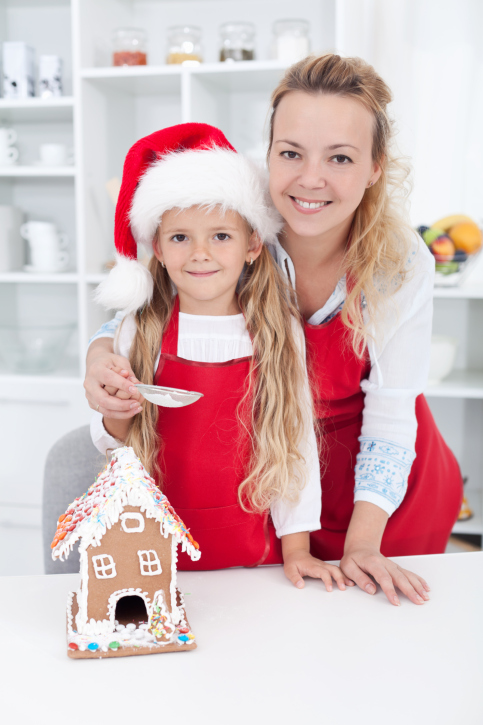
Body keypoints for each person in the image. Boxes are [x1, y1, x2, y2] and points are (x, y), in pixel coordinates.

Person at [85, 55, 463, 607]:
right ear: (268, 154)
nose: (311, 179)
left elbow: (391, 418)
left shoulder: (400, 263)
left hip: (381, 497)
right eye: (290, 153)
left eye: (340, 157)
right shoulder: (231, 218)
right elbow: (143, 306)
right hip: (274, 485)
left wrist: (363, 543)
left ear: (376, 166)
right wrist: (101, 357)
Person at [89, 122, 350, 592]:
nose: (200, 254)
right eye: (180, 237)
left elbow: (296, 447)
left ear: (253, 246)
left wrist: (297, 550)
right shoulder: (138, 330)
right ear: (158, 249)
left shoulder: (276, 333)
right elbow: (114, 447)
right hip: (158, 557)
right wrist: (116, 412)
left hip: (257, 562)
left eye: (221, 237)